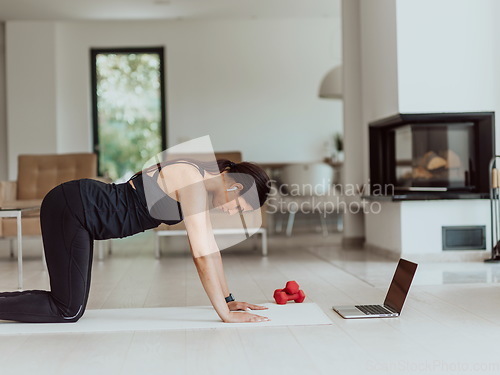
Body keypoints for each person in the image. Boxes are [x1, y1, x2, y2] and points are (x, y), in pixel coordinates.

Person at [0, 158, 271, 324]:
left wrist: (229, 299)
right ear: (235, 186)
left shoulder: (201, 188)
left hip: (80, 213)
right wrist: (224, 314)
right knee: (68, 310)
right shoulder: (194, 181)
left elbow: (210, 250)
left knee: (69, 306)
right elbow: (200, 255)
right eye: (238, 207)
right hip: (74, 207)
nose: (232, 212)